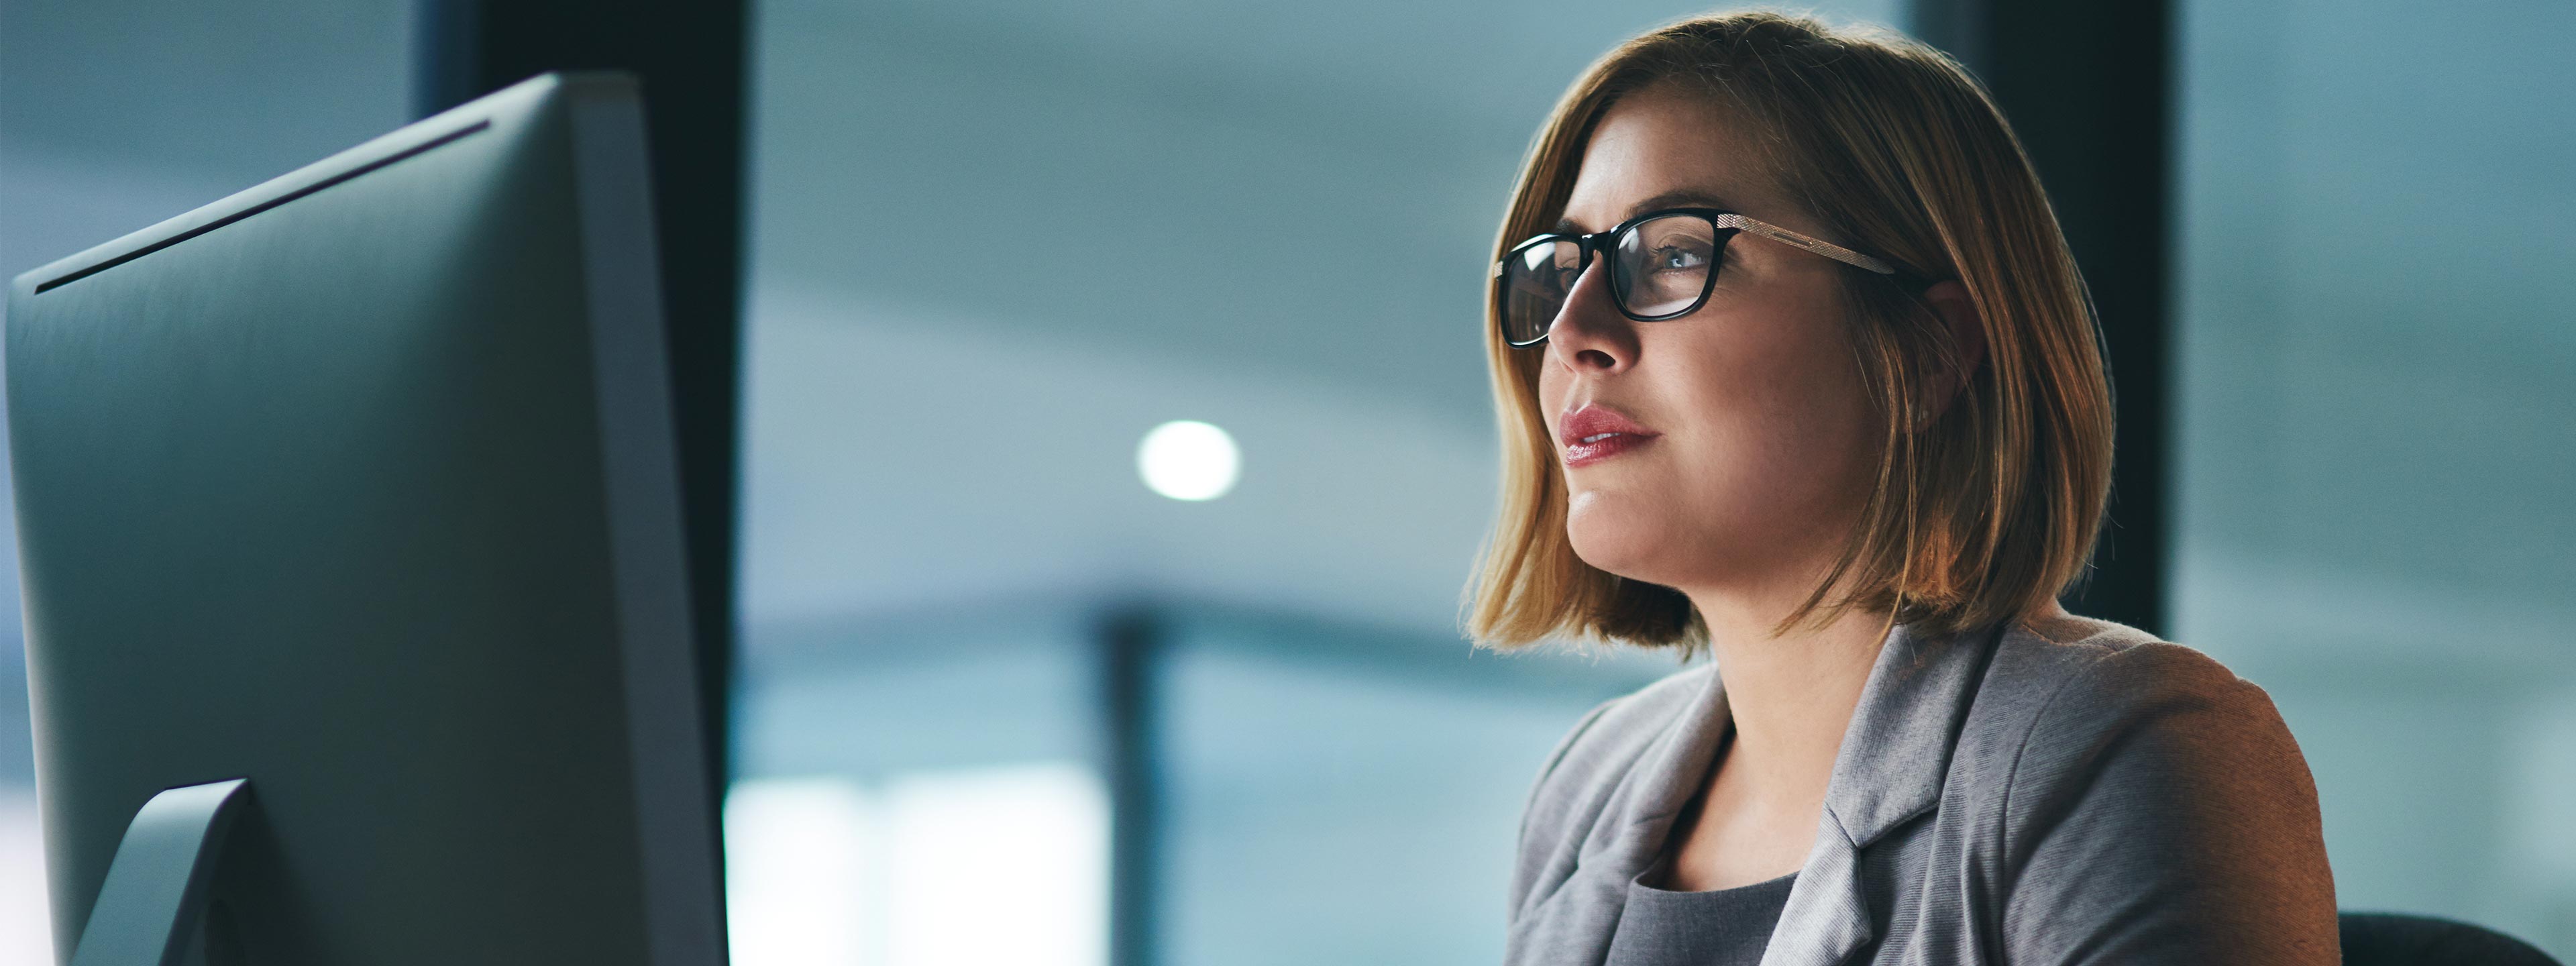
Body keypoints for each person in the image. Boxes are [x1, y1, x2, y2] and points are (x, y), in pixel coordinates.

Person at [1468, 12, 2337, 965]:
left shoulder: (2125, 752)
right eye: (1565, 267)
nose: (1573, 331)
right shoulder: (1584, 794)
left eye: (1674, 252)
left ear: (1927, 356)